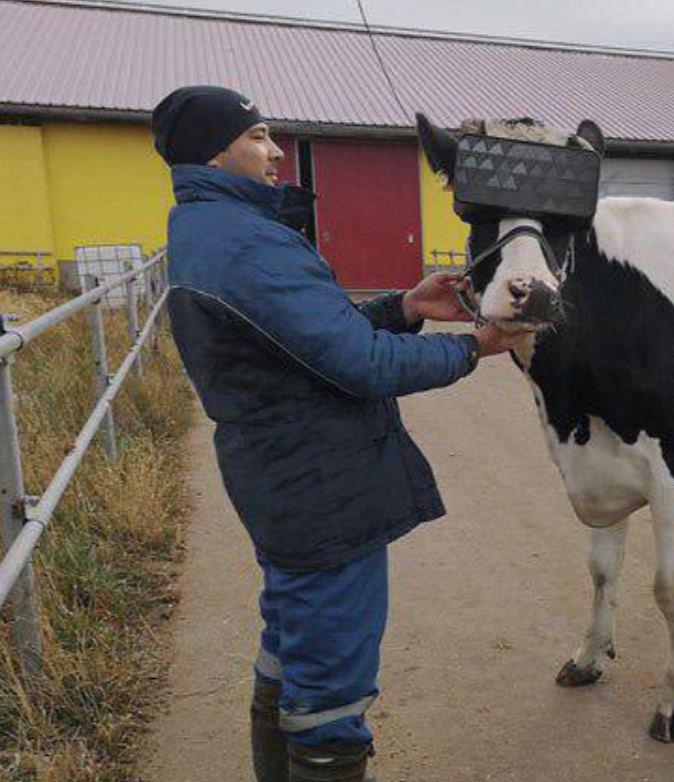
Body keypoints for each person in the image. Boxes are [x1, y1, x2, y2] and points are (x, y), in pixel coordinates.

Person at [152, 85, 522, 782]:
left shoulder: (217, 230)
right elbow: (361, 364)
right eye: (258, 135)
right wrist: (473, 347)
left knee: (291, 648)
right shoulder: (246, 244)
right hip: (319, 485)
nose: (275, 149)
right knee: (331, 689)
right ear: (214, 149)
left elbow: (311, 341)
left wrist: (405, 306)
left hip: (285, 476)